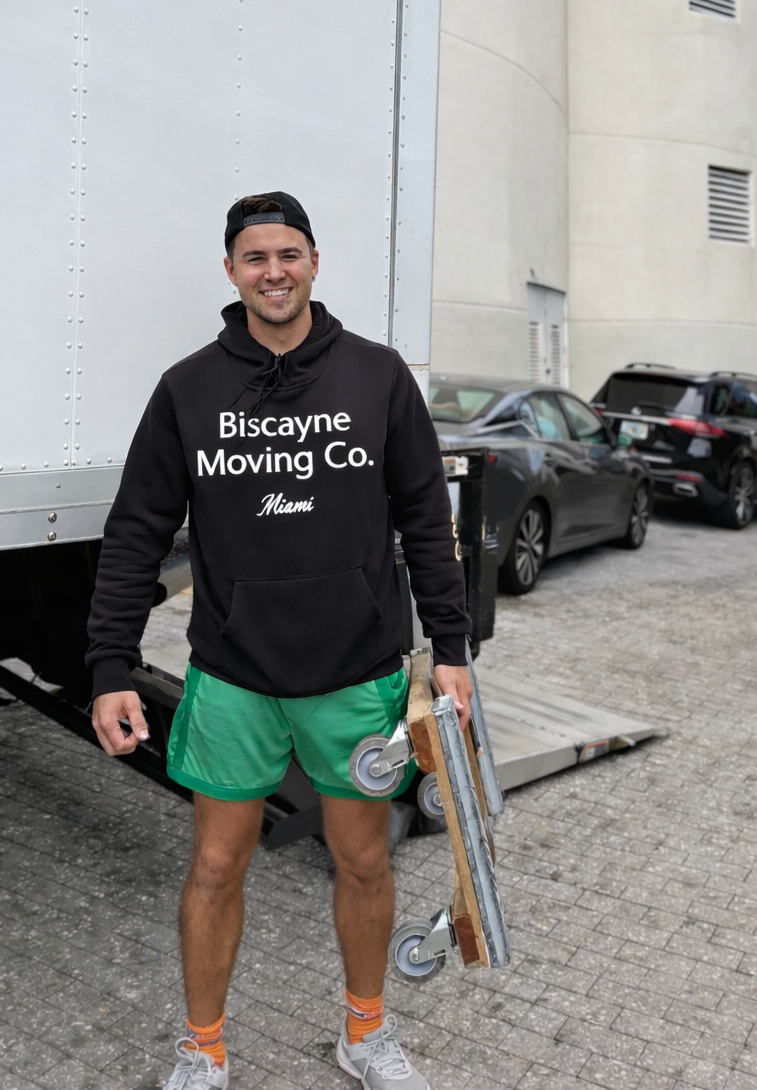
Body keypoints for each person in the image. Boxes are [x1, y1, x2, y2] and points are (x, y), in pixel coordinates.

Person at [86, 192, 471, 1090]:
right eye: (255, 257)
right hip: (234, 675)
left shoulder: (376, 377)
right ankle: (204, 1051)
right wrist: (110, 663)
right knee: (216, 867)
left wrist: (449, 647)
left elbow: (425, 518)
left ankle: (365, 1035)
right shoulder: (188, 388)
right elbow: (135, 530)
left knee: (365, 859)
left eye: (289, 253)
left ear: (314, 262)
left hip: (356, 672)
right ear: (231, 271)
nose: (273, 270)